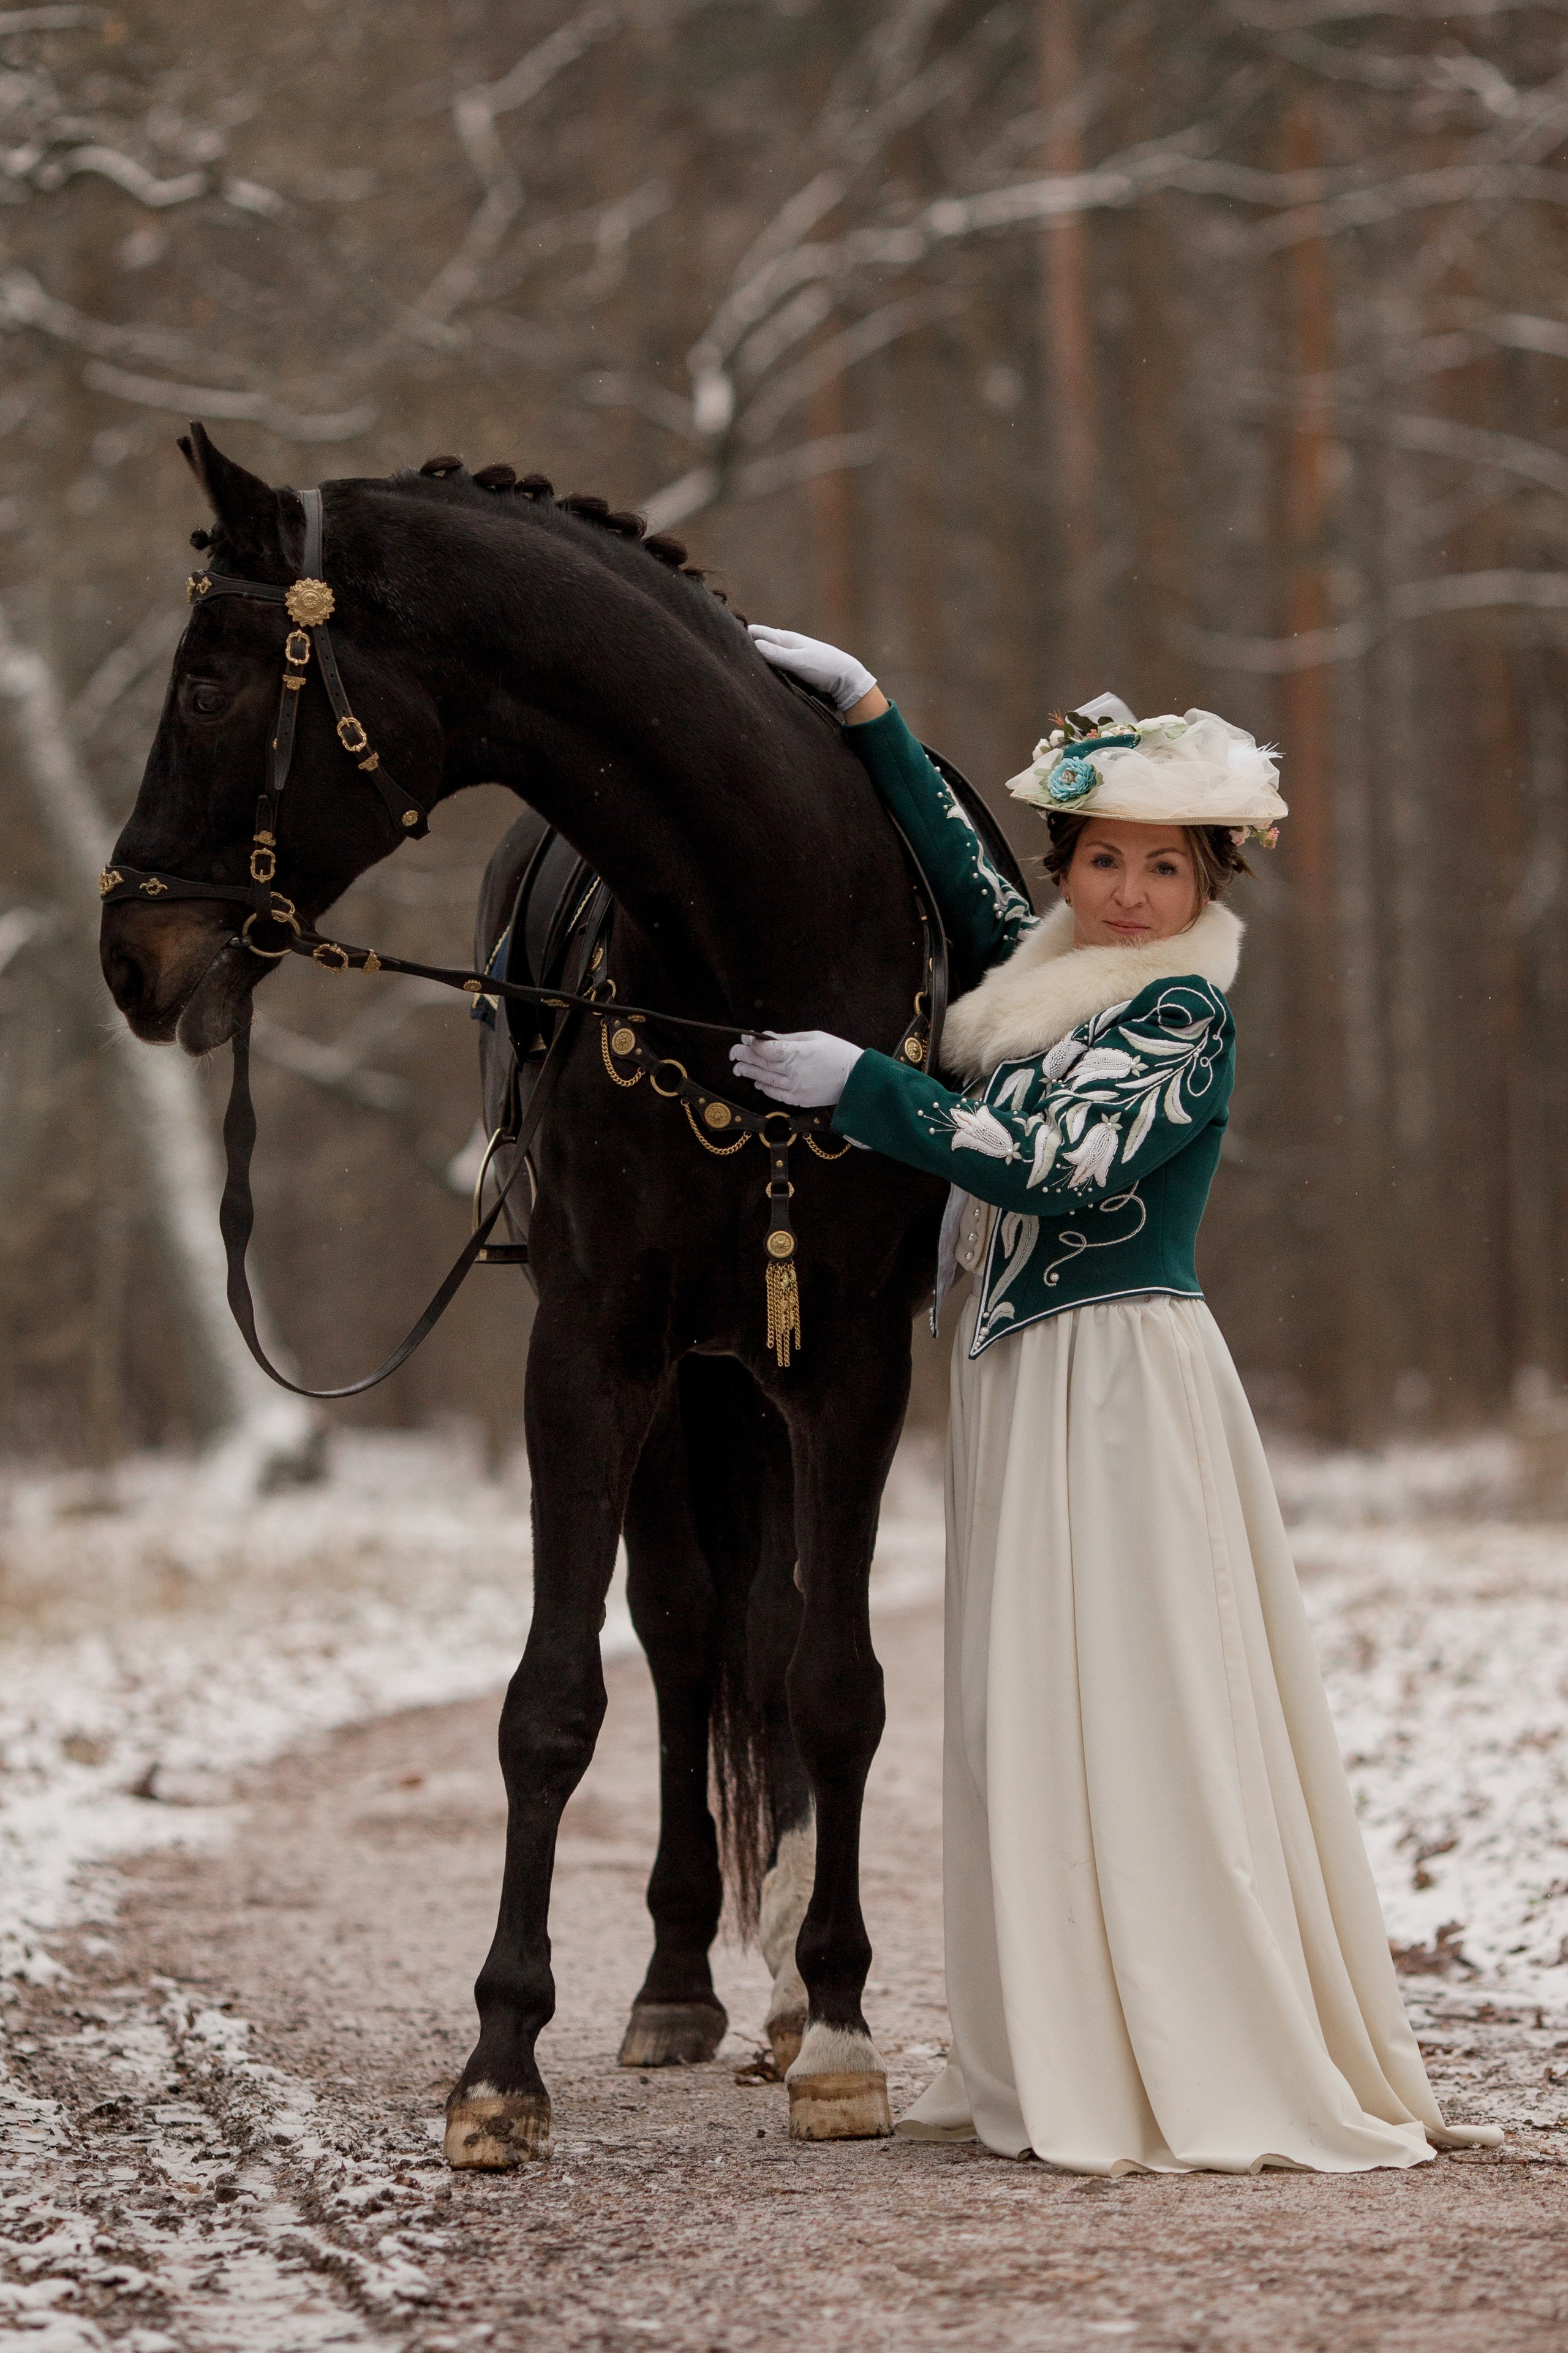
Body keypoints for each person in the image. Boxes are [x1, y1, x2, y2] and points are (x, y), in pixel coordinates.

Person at [731, 625, 1502, 2177]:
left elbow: (1055, 1164)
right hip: (1025, 1381)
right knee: (1034, 1704)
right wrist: (874, 714)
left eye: (1163, 868)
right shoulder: (1053, 982)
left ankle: (1182, 2039)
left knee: (1138, 1699)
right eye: (1101, 861)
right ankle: (1062, 2030)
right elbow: (968, 891)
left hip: (1119, 1388)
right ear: (1070, 869)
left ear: (1207, 883)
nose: (1129, 893)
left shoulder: (1176, 1017)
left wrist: (861, 1087)